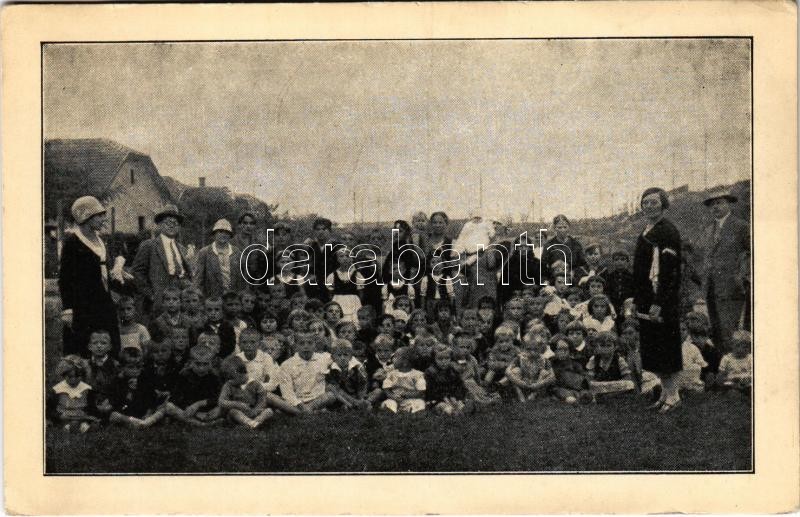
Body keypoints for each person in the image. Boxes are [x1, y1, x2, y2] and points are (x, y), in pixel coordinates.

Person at [632, 187, 683, 413]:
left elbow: (669, 272)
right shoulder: (647, 229)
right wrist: (638, 298)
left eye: (654, 202)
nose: (649, 206)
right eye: (645, 202)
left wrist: (659, 302)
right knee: (654, 346)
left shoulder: (667, 231)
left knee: (667, 346)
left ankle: (674, 395)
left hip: (662, 298)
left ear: (663, 204)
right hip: (647, 297)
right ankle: (665, 392)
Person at [59, 196, 121, 356]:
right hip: (83, 306)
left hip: (104, 303)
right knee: (84, 348)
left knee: (108, 346)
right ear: (86, 217)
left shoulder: (100, 240)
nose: (103, 219)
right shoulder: (72, 243)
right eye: (99, 215)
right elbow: (65, 279)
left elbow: (104, 270)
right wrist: (68, 309)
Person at [700, 189, 750, 352]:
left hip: (732, 288)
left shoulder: (741, 226)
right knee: (716, 332)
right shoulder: (708, 230)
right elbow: (707, 258)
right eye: (712, 204)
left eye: (719, 203)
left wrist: (742, 275)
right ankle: (721, 363)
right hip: (711, 288)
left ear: (729, 204)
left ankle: (732, 362)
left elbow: (752, 253)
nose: (715, 207)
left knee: (729, 331)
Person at [131, 204, 192, 317]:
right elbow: (137, 272)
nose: (172, 225)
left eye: (175, 223)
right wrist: (151, 294)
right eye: (168, 222)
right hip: (159, 301)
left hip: (180, 300)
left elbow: (186, 273)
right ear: (160, 224)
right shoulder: (149, 245)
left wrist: (187, 290)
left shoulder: (181, 249)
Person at [164, 345, 223, 426]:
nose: (201, 368)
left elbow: (219, 398)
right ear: (191, 362)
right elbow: (176, 397)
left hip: (208, 410)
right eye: (198, 364)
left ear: (211, 363)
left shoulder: (214, 377)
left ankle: (192, 421)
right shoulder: (184, 375)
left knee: (222, 408)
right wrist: (192, 409)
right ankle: (202, 424)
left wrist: (199, 404)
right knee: (169, 406)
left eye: (205, 364)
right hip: (189, 410)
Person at [278, 332, 337, 412]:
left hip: (319, 399)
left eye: (310, 343)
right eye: (301, 343)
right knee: (284, 400)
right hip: (298, 400)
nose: (306, 346)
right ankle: (309, 410)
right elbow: (287, 392)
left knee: (331, 395)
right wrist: (299, 404)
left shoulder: (324, 358)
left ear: (315, 344)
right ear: (296, 346)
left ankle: (308, 409)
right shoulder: (287, 365)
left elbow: (343, 359)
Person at [108, 348, 166, 429]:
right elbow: (118, 403)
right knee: (114, 415)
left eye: (138, 367)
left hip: (144, 413)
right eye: (131, 367)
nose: (135, 370)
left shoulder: (144, 379)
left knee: (164, 407)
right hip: (127, 414)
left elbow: (151, 400)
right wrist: (130, 391)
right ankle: (141, 424)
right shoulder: (118, 382)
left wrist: (148, 413)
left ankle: (144, 423)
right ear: (122, 368)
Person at [217, 355, 274, 429]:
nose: (228, 381)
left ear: (240, 374)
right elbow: (221, 401)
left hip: (254, 411)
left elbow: (262, 400)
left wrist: (256, 410)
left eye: (231, 378)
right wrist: (237, 404)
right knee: (233, 412)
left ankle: (255, 422)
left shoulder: (255, 384)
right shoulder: (228, 385)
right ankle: (251, 423)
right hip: (238, 413)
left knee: (269, 411)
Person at [46, 355, 100, 433]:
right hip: (64, 417)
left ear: (82, 376)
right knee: (72, 424)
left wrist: (91, 416)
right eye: (70, 377)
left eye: (77, 376)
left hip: (81, 417)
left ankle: (84, 428)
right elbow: (49, 409)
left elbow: (92, 407)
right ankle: (71, 428)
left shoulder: (86, 389)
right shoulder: (58, 389)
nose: (73, 380)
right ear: (64, 376)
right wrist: (59, 415)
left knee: (91, 425)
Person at [194, 219, 244, 299]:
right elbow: (198, 280)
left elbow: (241, 278)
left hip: (233, 298)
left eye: (226, 232)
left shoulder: (237, 252)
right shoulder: (205, 252)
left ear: (230, 235)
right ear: (214, 234)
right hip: (212, 298)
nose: (223, 234)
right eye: (220, 231)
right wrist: (201, 297)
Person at [506, 330, 556, 402]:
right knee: (515, 371)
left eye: (535, 349)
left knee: (544, 373)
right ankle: (521, 397)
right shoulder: (520, 358)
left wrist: (538, 384)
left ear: (540, 348)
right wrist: (519, 382)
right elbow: (507, 371)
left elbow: (552, 376)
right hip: (523, 383)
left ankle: (533, 396)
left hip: (537, 385)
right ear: (523, 348)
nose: (532, 352)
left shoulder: (544, 360)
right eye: (529, 349)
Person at [585, 332, 636, 398]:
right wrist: (595, 384)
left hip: (615, 385)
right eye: (602, 346)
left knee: (629, 384)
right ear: (597, 347)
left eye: (609, 345)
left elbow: (627, 377)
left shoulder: (619, 360)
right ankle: (602, 395)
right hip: (600, 385)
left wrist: (617, 384)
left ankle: (610, 395)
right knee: (589, 386)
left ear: (615, 347)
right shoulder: (594, 359)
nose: (605, 348)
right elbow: (589, 377)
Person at [325, 339, 370, 410]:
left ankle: (359, 403)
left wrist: (361, 398)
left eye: (345, 355)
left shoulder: (357, 367)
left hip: (354, 394)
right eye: (339, 355)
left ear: (351, 357)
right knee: (332, 387)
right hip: (340, 397)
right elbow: (336, 389)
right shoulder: (332, 369)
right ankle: (350, 405)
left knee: (374, 393)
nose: (342, 358)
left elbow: (362, 384)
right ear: (333, 357)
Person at [540, 214, 586, 284]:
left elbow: (583, 264)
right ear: (554, 228)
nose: (562, 230)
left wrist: (574, 272)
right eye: (559, 227)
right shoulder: (549, 245)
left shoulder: (576, 244)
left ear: (569, 227)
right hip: (554, 280)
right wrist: (546, 281)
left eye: (565, 227)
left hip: (572, 280)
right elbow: (543, 266)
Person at [380, 347, 426, 414]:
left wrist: (408, 395)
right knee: (390, 403)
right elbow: (386, 389)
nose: (392, 359)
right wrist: (392, 396)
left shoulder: (417, 375)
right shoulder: (391, 374)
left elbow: (421, 391)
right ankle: (391, 410)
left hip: (410, 399)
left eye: (395, 357)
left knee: (420, 403)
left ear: (405, 362)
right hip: (395, 399)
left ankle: (413, 410)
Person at [425, 344, 468, 415]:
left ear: (451, 358)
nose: (444, 361)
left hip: (453, 398)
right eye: (440, 359)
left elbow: (460, 386)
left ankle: (461, 410)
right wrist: (444, 398)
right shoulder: (430, 372)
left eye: (447, 358)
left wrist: (456, 397)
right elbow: (431, 390)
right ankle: (451, 412)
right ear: (434, 359)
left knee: (461, 405)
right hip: (437, 399)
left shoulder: (453, 371)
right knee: (445, 408)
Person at [326, 247, 365, 323]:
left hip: (353, 302)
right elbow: (330, 294)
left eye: (347, 256)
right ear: (337, 259)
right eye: (341, 256)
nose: (345, 258)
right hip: (338, 301)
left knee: (354, 321)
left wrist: (357, 303)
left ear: (351, 258)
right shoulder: (332, 276)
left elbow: (361, 293)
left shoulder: (357, 274)